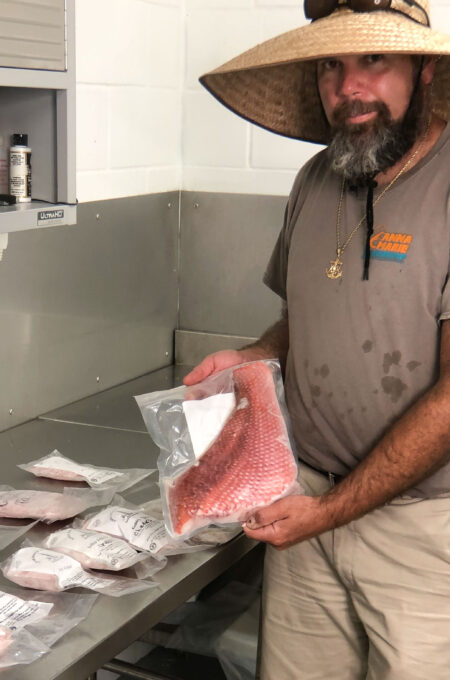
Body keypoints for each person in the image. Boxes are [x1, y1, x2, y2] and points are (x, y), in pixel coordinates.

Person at [183, 1, 450, 678]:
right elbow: (307, 322)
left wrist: (331, 510)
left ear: (422, 69)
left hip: (423, 531)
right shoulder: (314, 181)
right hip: (299, 502)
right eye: (332, 64)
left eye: (374, 60)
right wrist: (252, 356)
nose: (349, 86)